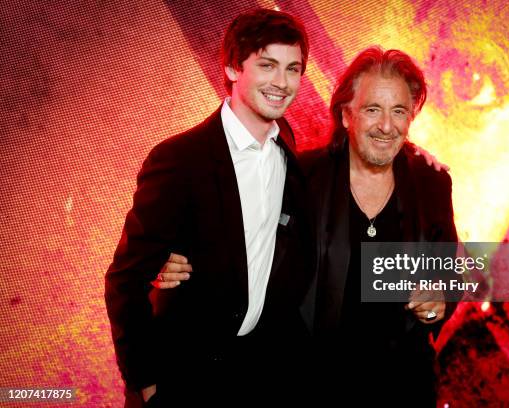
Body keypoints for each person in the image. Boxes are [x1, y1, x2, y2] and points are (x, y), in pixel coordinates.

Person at [158, 46, 457, 405]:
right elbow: (239, 245)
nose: (386, 126)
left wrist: (439, 299)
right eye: (372, 109)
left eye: (399, 111)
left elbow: (447, 272)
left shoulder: (432, 181)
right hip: (307, 383)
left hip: (401, 386)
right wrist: (174, 259)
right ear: (347, 115)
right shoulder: (298, 177)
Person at [104, 8, 314, 407]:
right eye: (267, 65)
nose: (282, 83)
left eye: (293, 69)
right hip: (185, 380)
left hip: (260, 376)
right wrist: (146, 382)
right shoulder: (180, 159)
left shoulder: (288, 151)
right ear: (234, 68)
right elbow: (124, 280)